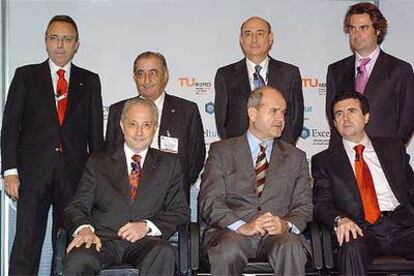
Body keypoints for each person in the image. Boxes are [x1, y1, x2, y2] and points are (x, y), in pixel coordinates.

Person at [0, 15, 104, 275]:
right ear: (46, 42)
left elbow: (96, 136)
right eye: (54, 38)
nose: (60, 45)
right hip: (33, 176)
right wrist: (9, 171)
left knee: (69, 247)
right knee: (26, 244)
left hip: (74, 178)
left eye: (67, 39)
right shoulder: (25, 76)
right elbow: (10, 126)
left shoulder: (89, 81)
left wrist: (97, 183)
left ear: (77, 44)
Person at [63, 98, 188, 275]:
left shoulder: (169, 164)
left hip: (146, 242)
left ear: (154, 128)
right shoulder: (98, 163)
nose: (139, 132)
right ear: (122, 126)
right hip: (102, 240)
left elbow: (180, 212)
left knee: (163, 252)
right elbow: (76, 207)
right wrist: (84, 229)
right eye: (133, 124)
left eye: (146, 125)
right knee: (78, 259)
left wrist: (146, 226)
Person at [200, 86, 312, 275]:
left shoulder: (296, 157)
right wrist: (242, 226)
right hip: (233, 232)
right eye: (274, 111)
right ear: (253, 113)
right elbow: (210, 201)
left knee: (291, 246)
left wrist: (286, 225)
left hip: (277, 235)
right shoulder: (222, 151)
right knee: (228, 250)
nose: (281, 119)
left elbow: (304, 206)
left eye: (283, 113)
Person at [312, 92, 414, 275]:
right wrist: (339, 220)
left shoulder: (392, 148)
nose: (345, 118)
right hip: (361, 229)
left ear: (366, 117)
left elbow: (411, 189)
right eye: (339, 114)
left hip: (402, 225)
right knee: (350, 246)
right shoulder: (325, 161)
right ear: (334, 124)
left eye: (352, 111)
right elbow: (321, 204)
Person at [105, 51, 205, 194]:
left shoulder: (187, 111)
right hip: (126, 197)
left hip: (171, 199)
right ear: (135, 77)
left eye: (153, 73)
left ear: (165, 75)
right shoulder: (118, 110)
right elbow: (110, 155)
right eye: (141, 73)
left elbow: (196, 157)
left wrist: (175, 187)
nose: (146, 80)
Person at [326, 2, 414, 146]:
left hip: (384, 157)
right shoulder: (336, 70)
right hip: (344, 155)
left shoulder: (400, 69)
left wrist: (391, 152)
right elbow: (332, 116)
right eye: (352, 28)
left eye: (363, 28)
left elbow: (407, 120)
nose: (357, 34)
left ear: (377, 30)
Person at [214, 16, 304, 144]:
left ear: (270, 38)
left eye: (260, 34)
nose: (254, 40)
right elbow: (222, 122)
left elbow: (296, 120)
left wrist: (282, 150)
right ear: (241, 40)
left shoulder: (289, 73)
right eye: (248, 34)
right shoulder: (225, 75)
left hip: (281, 155)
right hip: (239, 156)